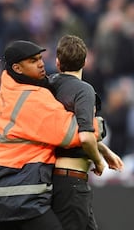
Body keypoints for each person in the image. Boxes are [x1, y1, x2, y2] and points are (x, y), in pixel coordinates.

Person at [0, 40, 106, 230]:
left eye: (40, 58)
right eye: (33, 60)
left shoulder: (10, 88)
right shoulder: (32, 97)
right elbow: (73, 134)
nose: (41, 63)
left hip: (1, 191)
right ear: (17, 68)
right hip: (21, 194)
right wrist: (99, 125)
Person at [49, 35, 124, 230]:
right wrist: (99, 161)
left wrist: (106, 152)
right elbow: (84, 135)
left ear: (57, 62)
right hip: (72, 179)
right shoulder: (83, 90)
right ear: (85, 61)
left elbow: (68, 129)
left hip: (55, 178)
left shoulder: (49, 86)